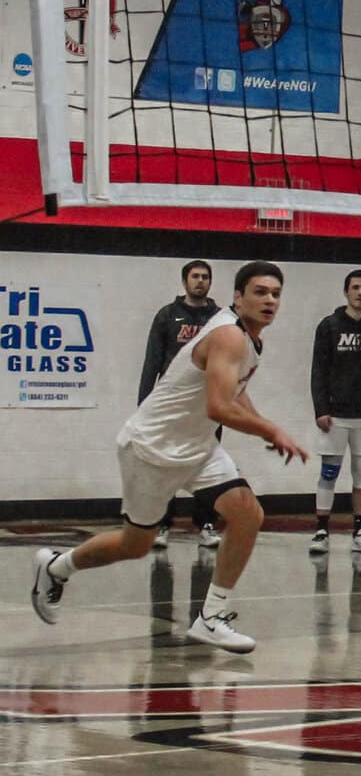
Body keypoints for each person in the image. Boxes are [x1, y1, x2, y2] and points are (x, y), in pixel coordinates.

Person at [33, 263, 308, 652]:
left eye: (276, 294)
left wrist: (263, 421)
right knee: (135, 544)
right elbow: (218, 407)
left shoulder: (249, 339)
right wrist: (271, 430)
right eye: (260, 292)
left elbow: (232, 389)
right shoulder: (229, 334)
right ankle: (55, 566)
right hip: (152, 449)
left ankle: (211, 617)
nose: (269, 300)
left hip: (197, 448)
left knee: (248, 514)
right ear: (237, 297)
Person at [137, 259, 225, 547]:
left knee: (207, 463)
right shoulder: (167, 315)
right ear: (184, 281)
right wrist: (144, 403)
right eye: (195, 276)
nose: (200, 281)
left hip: (208, 403)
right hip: (172, 403)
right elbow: (151, 360)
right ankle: (162, 524)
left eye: (205, 277)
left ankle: (207, 524)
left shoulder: (221, 318)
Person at [307, 269, 361, 555]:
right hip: (336, 415)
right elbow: (318, 371)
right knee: (329, 472)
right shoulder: (329, 326)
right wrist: (321, 408)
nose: (360, 292)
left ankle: (360, 530)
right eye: (355, 287)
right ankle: (321, 530)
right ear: (346, 291)